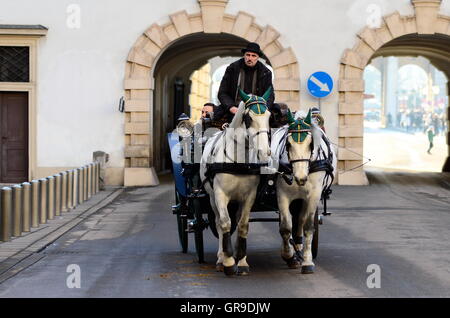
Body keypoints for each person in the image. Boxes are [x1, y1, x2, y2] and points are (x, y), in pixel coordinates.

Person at [214, 42, 277, 124]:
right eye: (248, 55)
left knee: (277, 114)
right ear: (244, 55)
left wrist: (264, 108)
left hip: (258, 107)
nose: (250, 58)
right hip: (235, 107)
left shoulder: (265, 72)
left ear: (258, 57)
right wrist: (230, 107)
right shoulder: (232, 69)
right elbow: (222, 92)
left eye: (253, 56)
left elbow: (270, 94)